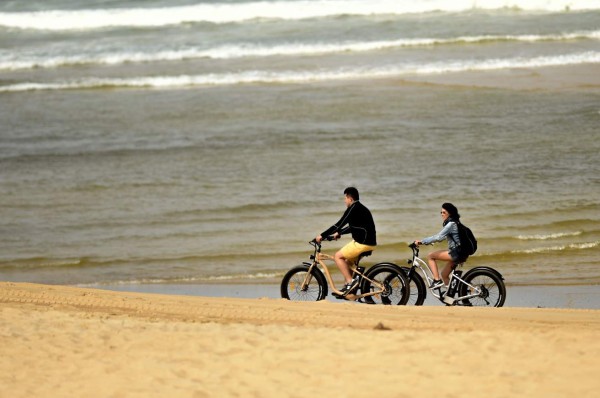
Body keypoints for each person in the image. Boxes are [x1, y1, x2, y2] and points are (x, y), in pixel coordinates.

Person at [315, 187, 377, 296]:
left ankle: (350, 282)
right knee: (348, 262)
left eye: (345, 198)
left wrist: (322, 235)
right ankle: (349, 290)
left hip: (362, 243)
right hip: (368, 242)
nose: (344, 201)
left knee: (338, 256)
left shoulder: (353, 208)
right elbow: (353, 227)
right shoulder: (359, 208)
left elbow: (338, 224)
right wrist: (339, 233)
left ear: (350, 198)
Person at [415, 203, 463, 289]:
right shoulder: (456, 223)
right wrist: (430, 242)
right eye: (441, 212)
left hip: (456, 253)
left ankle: (436, 281)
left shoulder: (451, 224)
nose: (441, 214)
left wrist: (422, 242)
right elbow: (443, 238)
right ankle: (450, 298)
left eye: (444, 212)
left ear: (450, 213)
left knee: (430, 256)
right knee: (444, 275)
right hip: (460, 252)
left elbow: (438, 237)